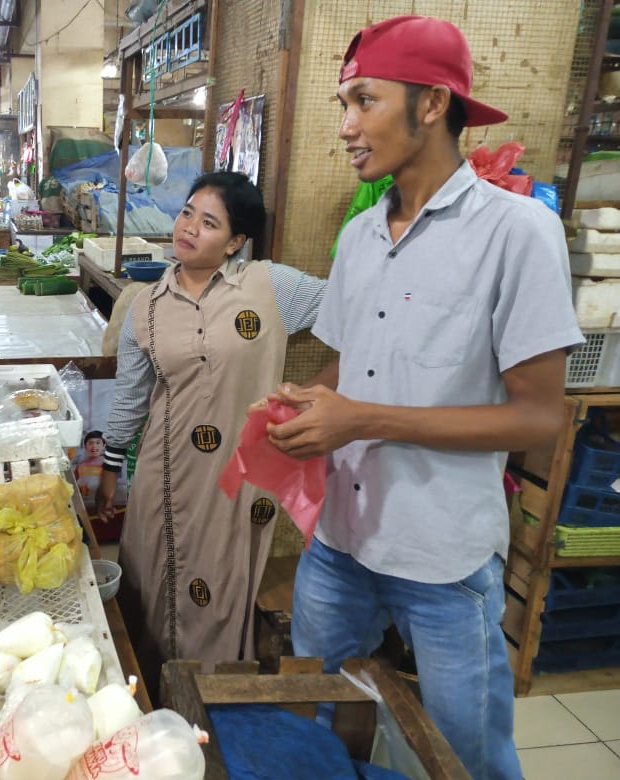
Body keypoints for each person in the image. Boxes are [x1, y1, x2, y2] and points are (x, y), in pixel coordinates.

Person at [261, 17, 583, 780]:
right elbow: (352, 369)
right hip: (341, 538)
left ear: (433, 104)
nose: (345, 126)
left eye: (363, 101)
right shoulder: (363, 234)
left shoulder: (519, 233)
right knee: (318, 713)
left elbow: (539, 416)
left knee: (467, 754)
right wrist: (310, 405)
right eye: (343, 103)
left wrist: (362, 419)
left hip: (442, 553)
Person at [94, 171, 325, 693]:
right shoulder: (146, 304)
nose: (189, 228)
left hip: (238, 478)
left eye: (209, 222)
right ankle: (150, 701)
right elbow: (132, 395)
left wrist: (309, 396)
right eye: (186, 213)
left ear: (236, 242)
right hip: (165, 468)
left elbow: (358, 315)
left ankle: (212, 702)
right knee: (150, 582)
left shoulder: (271, 286)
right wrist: (111, 469)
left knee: (222, 585)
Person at [73, 430, 106, 506]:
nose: (94, 446)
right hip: (83, 503)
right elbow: (74, 483)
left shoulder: (106, 464)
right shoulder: (81, 465)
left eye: (98, 443)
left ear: (104, 446)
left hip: (100, 503)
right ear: (85, 446)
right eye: (90, 443)